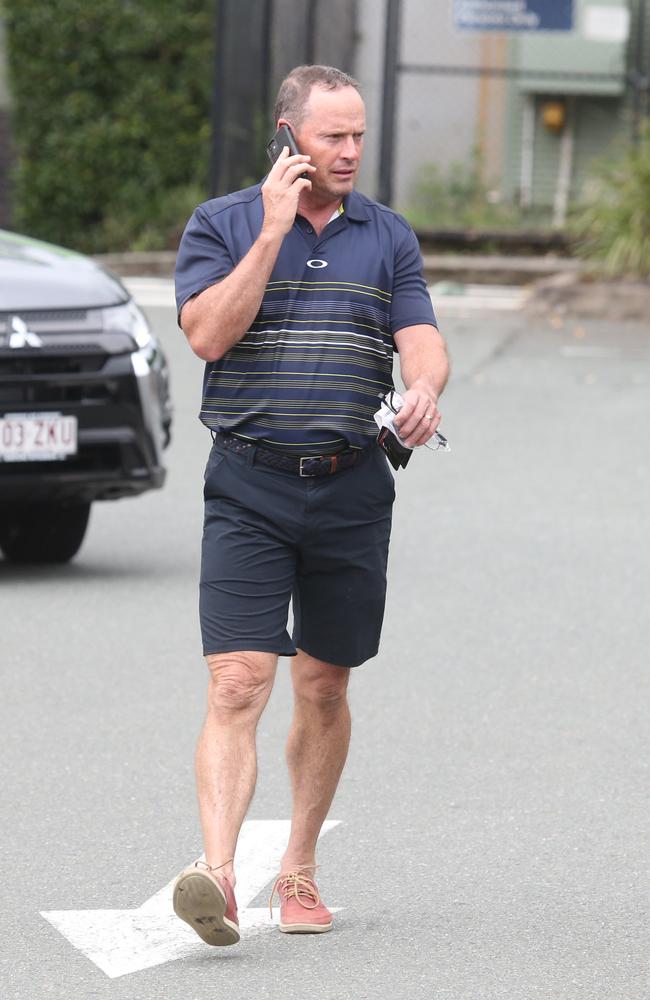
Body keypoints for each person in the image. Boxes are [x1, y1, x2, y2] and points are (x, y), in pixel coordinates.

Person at [172, 64, 449, 946]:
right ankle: (217, 874)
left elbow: (422, 338)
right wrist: (272, 229)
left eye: (359, 135)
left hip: (352, 486)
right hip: (248, 483)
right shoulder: (221, 224)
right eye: (334, 135)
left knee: (323, 685)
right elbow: (209, 334)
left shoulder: (388, 235)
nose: (351, 151)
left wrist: (424, 387)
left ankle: (297, 869)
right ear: (289, 134)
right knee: (240, 679)